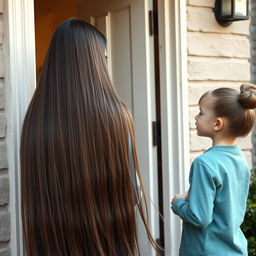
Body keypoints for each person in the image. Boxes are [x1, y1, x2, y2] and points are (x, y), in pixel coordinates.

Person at [20, 18, 160, 256]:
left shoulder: (35, 119)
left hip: (50, 245)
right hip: (106, 245)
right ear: (93, 62)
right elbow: (132, 192)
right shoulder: (116, 115)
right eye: (104, 58)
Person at [171, 84, 256, 256]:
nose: (196, 117)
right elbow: (223, 198)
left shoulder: (204, 163)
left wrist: (178, 204)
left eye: (201, 112)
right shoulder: (239, 159)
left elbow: (199, 217)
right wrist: (191, 193)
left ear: (217, 123)